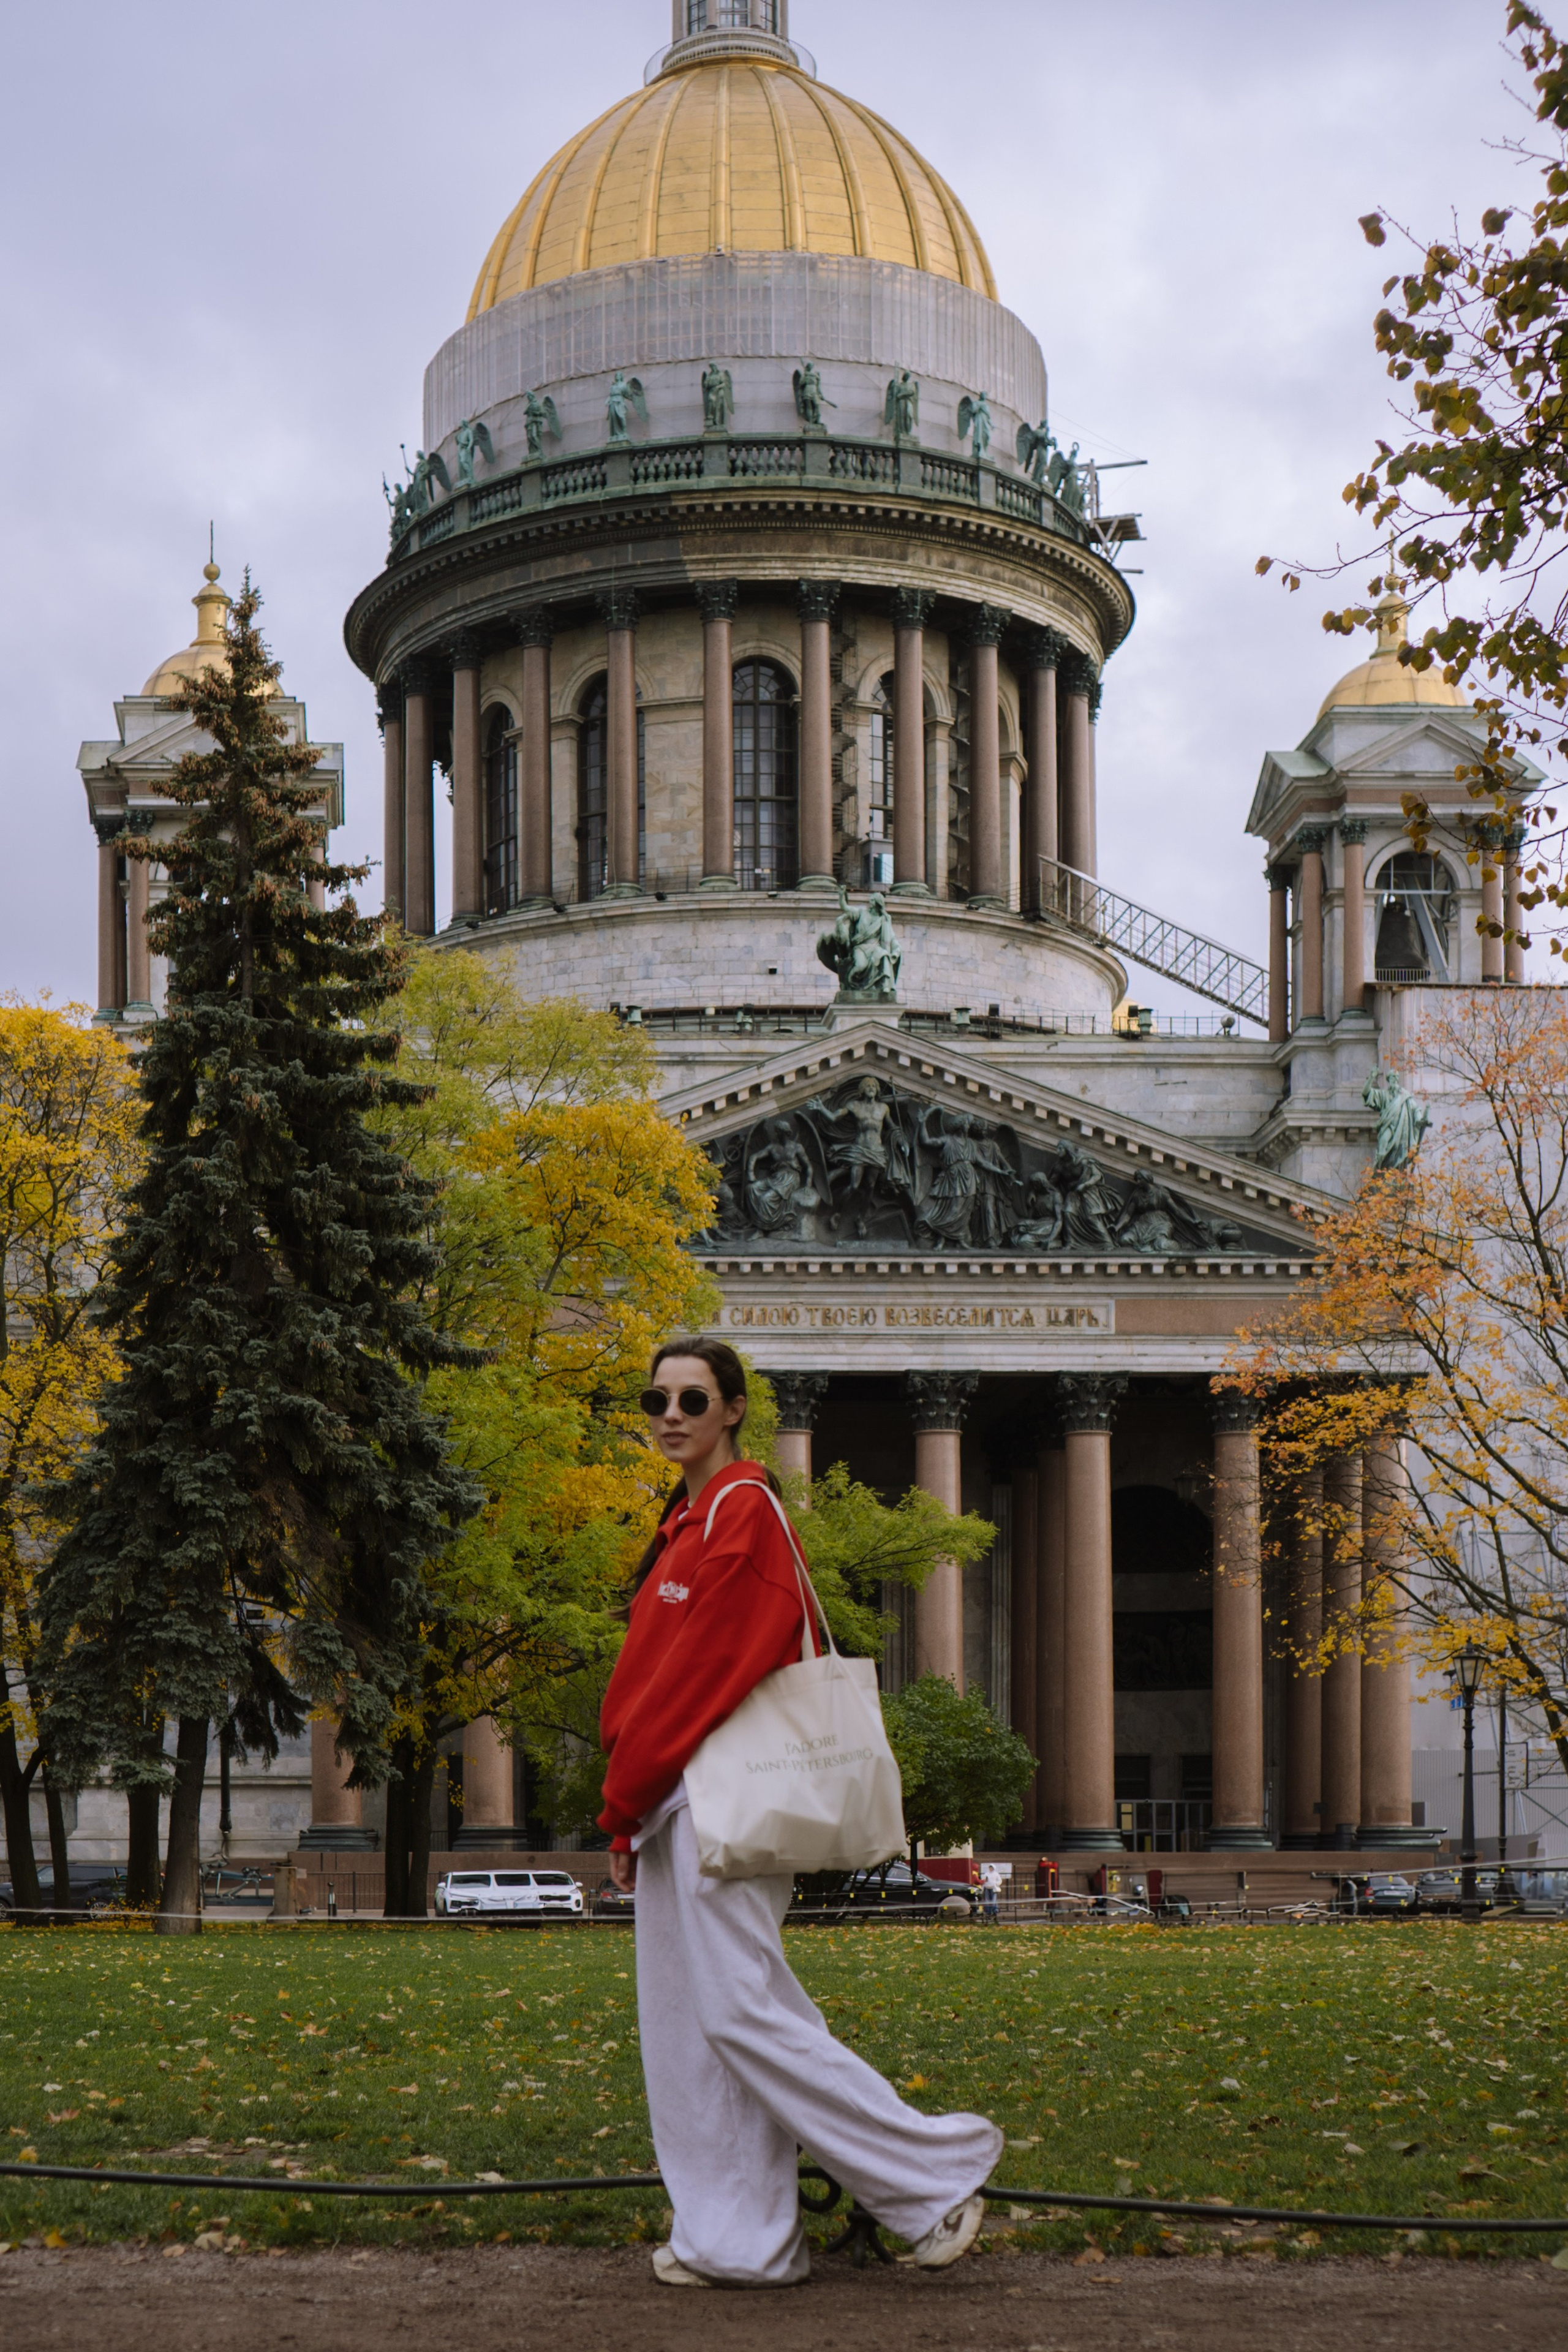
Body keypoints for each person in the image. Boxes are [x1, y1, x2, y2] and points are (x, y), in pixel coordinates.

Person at [600, 1336, 1001, 2288]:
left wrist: (626, 1796)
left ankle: (931, 2179)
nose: (669, 1415)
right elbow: (648, 1679)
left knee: (742, 2012)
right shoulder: (685, 1523)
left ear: (734, 1409)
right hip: (671, 1803)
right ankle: (738, 2240)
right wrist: (625, 1815)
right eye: (655, 1397)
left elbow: (704, 1678)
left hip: (710, 1798)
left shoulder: (745, 1517)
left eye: (692, 1400)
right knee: (690, 2033)